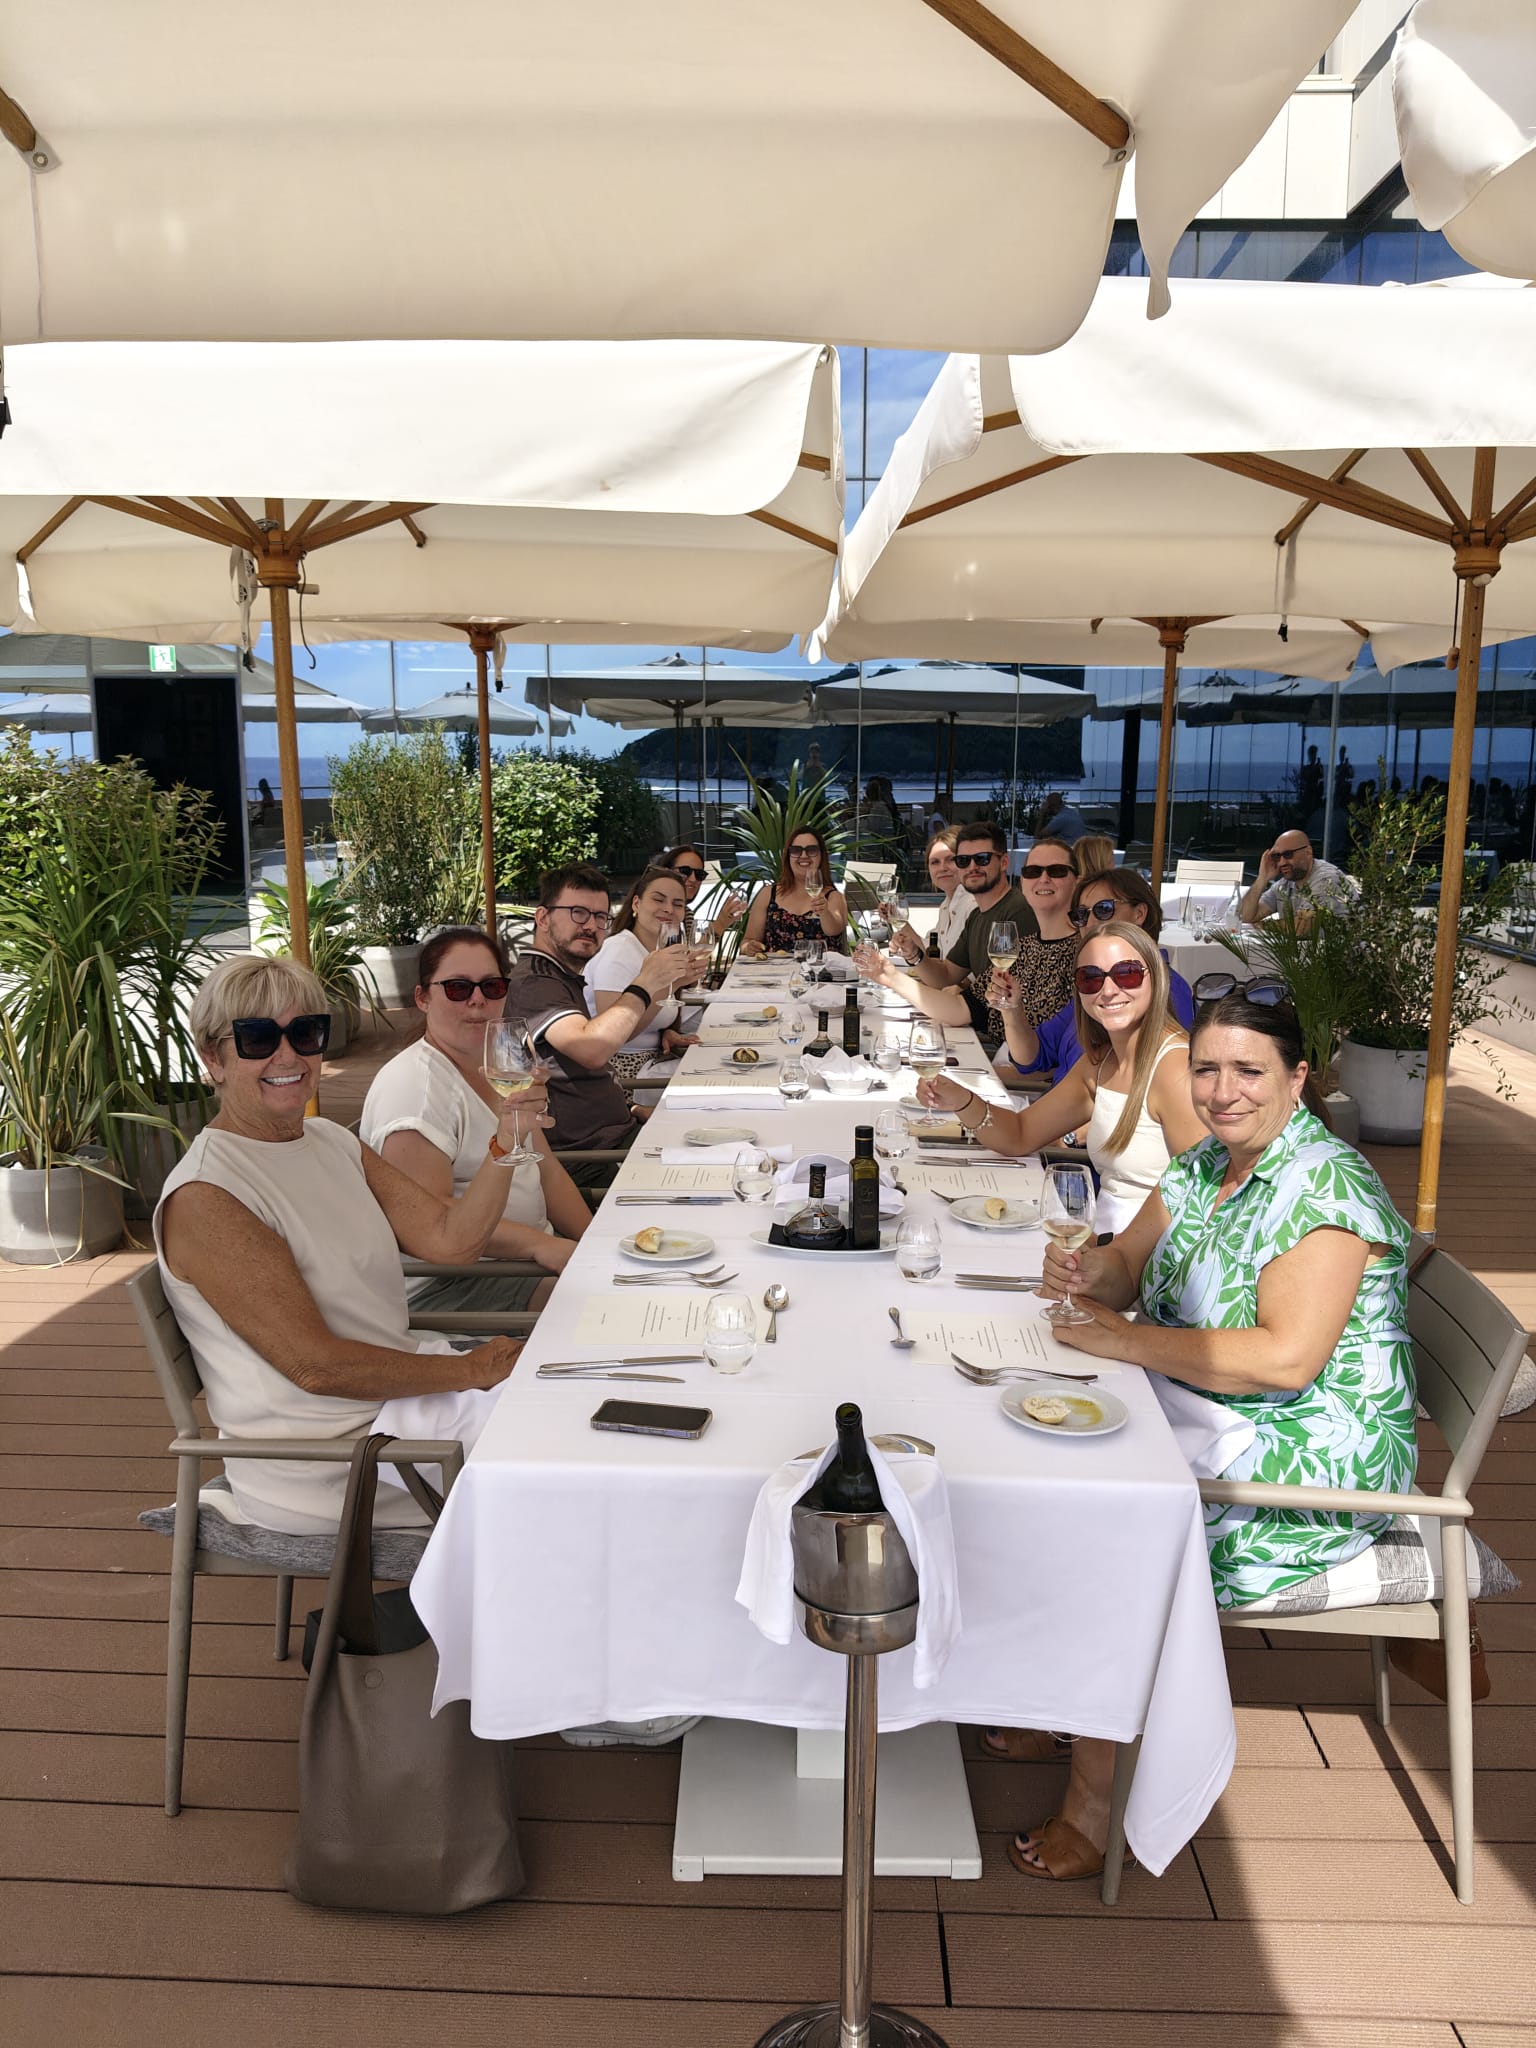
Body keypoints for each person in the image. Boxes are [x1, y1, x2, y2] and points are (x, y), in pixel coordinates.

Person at [992, 987, 1415, 1882]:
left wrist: (1125, 1340)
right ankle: (1067, 1696)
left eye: (1249, 1072)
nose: (1223, 1091)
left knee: (1107, 1521)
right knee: (1035, 1453)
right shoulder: (1203, 1166)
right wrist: (1087, 1273)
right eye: (1209, 1069)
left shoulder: (1326, 1186)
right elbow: (1124, 1265)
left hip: (1308, 1461)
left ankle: (1098, 1800)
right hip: (1205, 1410)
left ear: (1297, 1079)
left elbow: (1285, 1361)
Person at [155, 953, 526, 1535]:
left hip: (400, 1409)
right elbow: (316, 1367)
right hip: (331, 1461)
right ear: (212, 1058)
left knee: (576, 1413)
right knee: (568, 1456)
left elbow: (451, 1242)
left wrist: (507, 1138)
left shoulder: (330, 1140)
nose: (288, 1056)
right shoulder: (209, 1193)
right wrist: (473, 1369)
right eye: (258, 1038)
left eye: (306, 1032)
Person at [360, 927, 591, 1316]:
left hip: (523, 1263)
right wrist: (540, 1245)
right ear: (422, 998)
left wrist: (595, 1244)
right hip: (449, 1282)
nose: (478, 1000)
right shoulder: (415, 1089)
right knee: (598, 1308)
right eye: (458, 988)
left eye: (491, 986)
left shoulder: (504, 1061)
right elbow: (430, 1220)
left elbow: (546, 1171)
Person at [917, 923, 1203, 1233]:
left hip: (1152, 1250)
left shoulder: (1175, 1068)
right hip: (1102, 1237)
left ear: (1157, 977)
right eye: (1090, 978)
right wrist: (962, 1100)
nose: (1108, 990)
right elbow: (1020, 1134)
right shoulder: (1102, 1062)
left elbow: (1197, 1197)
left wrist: (1116, 1254)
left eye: (1127, 973)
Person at [501, 862, 694, 1158]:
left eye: (600, 916)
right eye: (578, 912)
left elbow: (577, 1076)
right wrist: (645, 983)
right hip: (594, 1157)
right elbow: (592, 1049)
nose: (591, 926)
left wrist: (633, 1109)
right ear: (543, 918)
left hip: (622, 1129)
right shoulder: (535, 981)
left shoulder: (561, 975)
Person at [854, 831, 1070, 1044]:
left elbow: (1037, 1048)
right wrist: (901, 965)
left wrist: (890, 975)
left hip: (996, 1045)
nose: (972, 867)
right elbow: (949, 980)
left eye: (982, 859)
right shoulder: (980, 917)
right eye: (963, 860)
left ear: (1004, 862)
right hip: (1001, 1044)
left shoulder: (1020, 917)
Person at [999, 867, 1195, 1084]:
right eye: (1082, 915)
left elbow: (1158, 1081)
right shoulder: (1093, 984)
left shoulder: (1167, 988)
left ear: (1139, 913)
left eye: (1104, 909)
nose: (1090, 923)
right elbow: (1033, 1057)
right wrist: (1011, 1009)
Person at [584, 864, 708, 1086]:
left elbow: (652, 1014)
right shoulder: (619, 951)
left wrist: (665, 1034)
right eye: (658, 900)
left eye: (678, 904)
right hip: (621, 1074)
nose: (668, 909)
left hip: (654, 1063)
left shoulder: (658, 952)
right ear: (636, 904)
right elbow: (612, 1038)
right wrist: (672, 984)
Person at [740, 823, 851, 955]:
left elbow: (834, 930)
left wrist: (825, 912)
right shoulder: (768, 894)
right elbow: (747, 941)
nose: (803, 855)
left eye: (811, 850)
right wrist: (748, 947)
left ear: (821, 855)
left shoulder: (833, 897)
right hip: (774, 968)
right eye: (796, 850)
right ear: (788, 856)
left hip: (819, 968)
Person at [886, 830, 975, 964]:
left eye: (951, 859)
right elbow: (928, 952)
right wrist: (900, 923)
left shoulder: (973, 904)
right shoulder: (946, 906)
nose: (942, 868)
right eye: (935, 862)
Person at [1238, 830, 1358, 924]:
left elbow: (1303, 927)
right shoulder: (1285, 884)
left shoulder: (1326, 879)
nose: (1282, 862)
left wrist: (1264, 925)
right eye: (1277, 856)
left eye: (1288, 854)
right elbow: (1244, 916)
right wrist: (1262, 878)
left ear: (1308, 852)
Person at [658, 843, 747, 943]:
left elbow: (689, 952)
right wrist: (720, 923)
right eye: (685, 871)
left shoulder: (687, 914)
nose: (693, 879)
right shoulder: (655, 910)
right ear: (666, 871)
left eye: (699, 874)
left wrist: (722, 922)